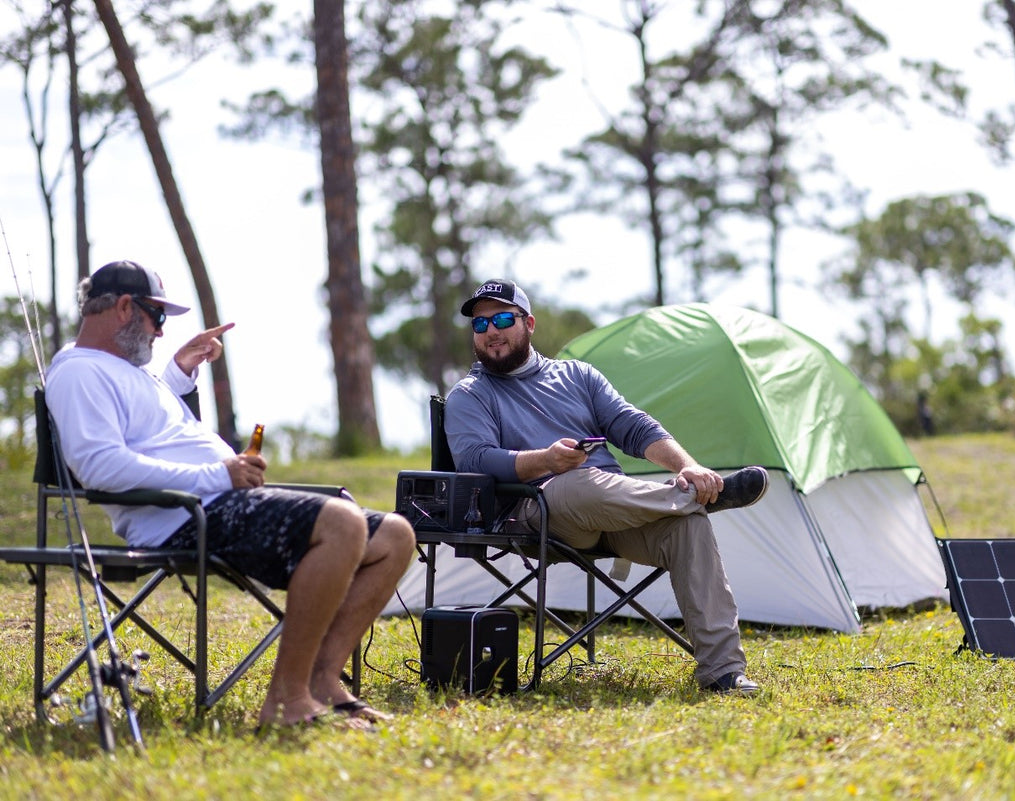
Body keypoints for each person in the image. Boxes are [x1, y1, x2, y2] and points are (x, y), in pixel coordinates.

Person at [45, 260, 416, 730]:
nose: (160, 332)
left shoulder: (125, 371)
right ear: (123, 308)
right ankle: (286, 699)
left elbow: (153, 424)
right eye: (157, 316)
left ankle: (323, 680)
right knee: (342, 522)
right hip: (181, 520)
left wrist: (180, 371)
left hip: (217, 505)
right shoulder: (80, 373)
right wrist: (221, 475)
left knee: (396, 536)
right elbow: (100, 468)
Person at [444, 278, 767, 695]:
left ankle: (722, 670)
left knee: (688, 526)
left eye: (503, 318)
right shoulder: (470, 395)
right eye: (480, 324)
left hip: (612, 509)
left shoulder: (577, 376)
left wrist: (688, 467)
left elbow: (633, 427)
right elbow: (474, 460)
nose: (491, 331)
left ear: (529, 323)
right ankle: (695, 497)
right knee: (580, 482)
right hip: (537, 514)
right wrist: (545, 460)